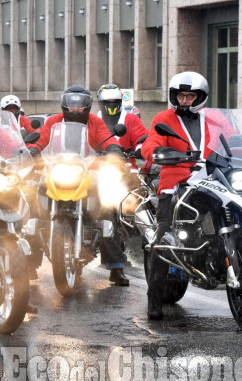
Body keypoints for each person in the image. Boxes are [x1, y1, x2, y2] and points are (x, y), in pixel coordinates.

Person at [141, 71, 211, 320]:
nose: (185, 100)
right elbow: (150, 143)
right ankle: (154, 298)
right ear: (174, 96)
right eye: (181, 95)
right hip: (176, 181)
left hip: (211, 180)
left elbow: (231, 140)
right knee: (164, 233)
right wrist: (158, 151)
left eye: (190, 95)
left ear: (199, 97)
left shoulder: (210, 120)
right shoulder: (164, 118)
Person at [94, 84, 149, 286]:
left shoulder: (131, 119)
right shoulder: (93, 120)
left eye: (114, 102)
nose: (111, 106)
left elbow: (143, 137)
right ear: (100, 103)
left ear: (120, 103)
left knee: (147, 205)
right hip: (99, 174)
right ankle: (116, 267)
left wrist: (141, 148)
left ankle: (154, 247)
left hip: (127, 172)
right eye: (107, 102)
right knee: (107, 213)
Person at [27, 85, 122, 155]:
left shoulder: (96, 121)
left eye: (80, 106)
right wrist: (33, 150)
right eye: (71, 105)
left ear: (87, 106)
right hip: (57, 168)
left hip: (90, 171)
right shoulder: (53, 121)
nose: (75, 109)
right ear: (64, 105)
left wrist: (114, 148)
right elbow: (41, 140)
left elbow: (106, 137)